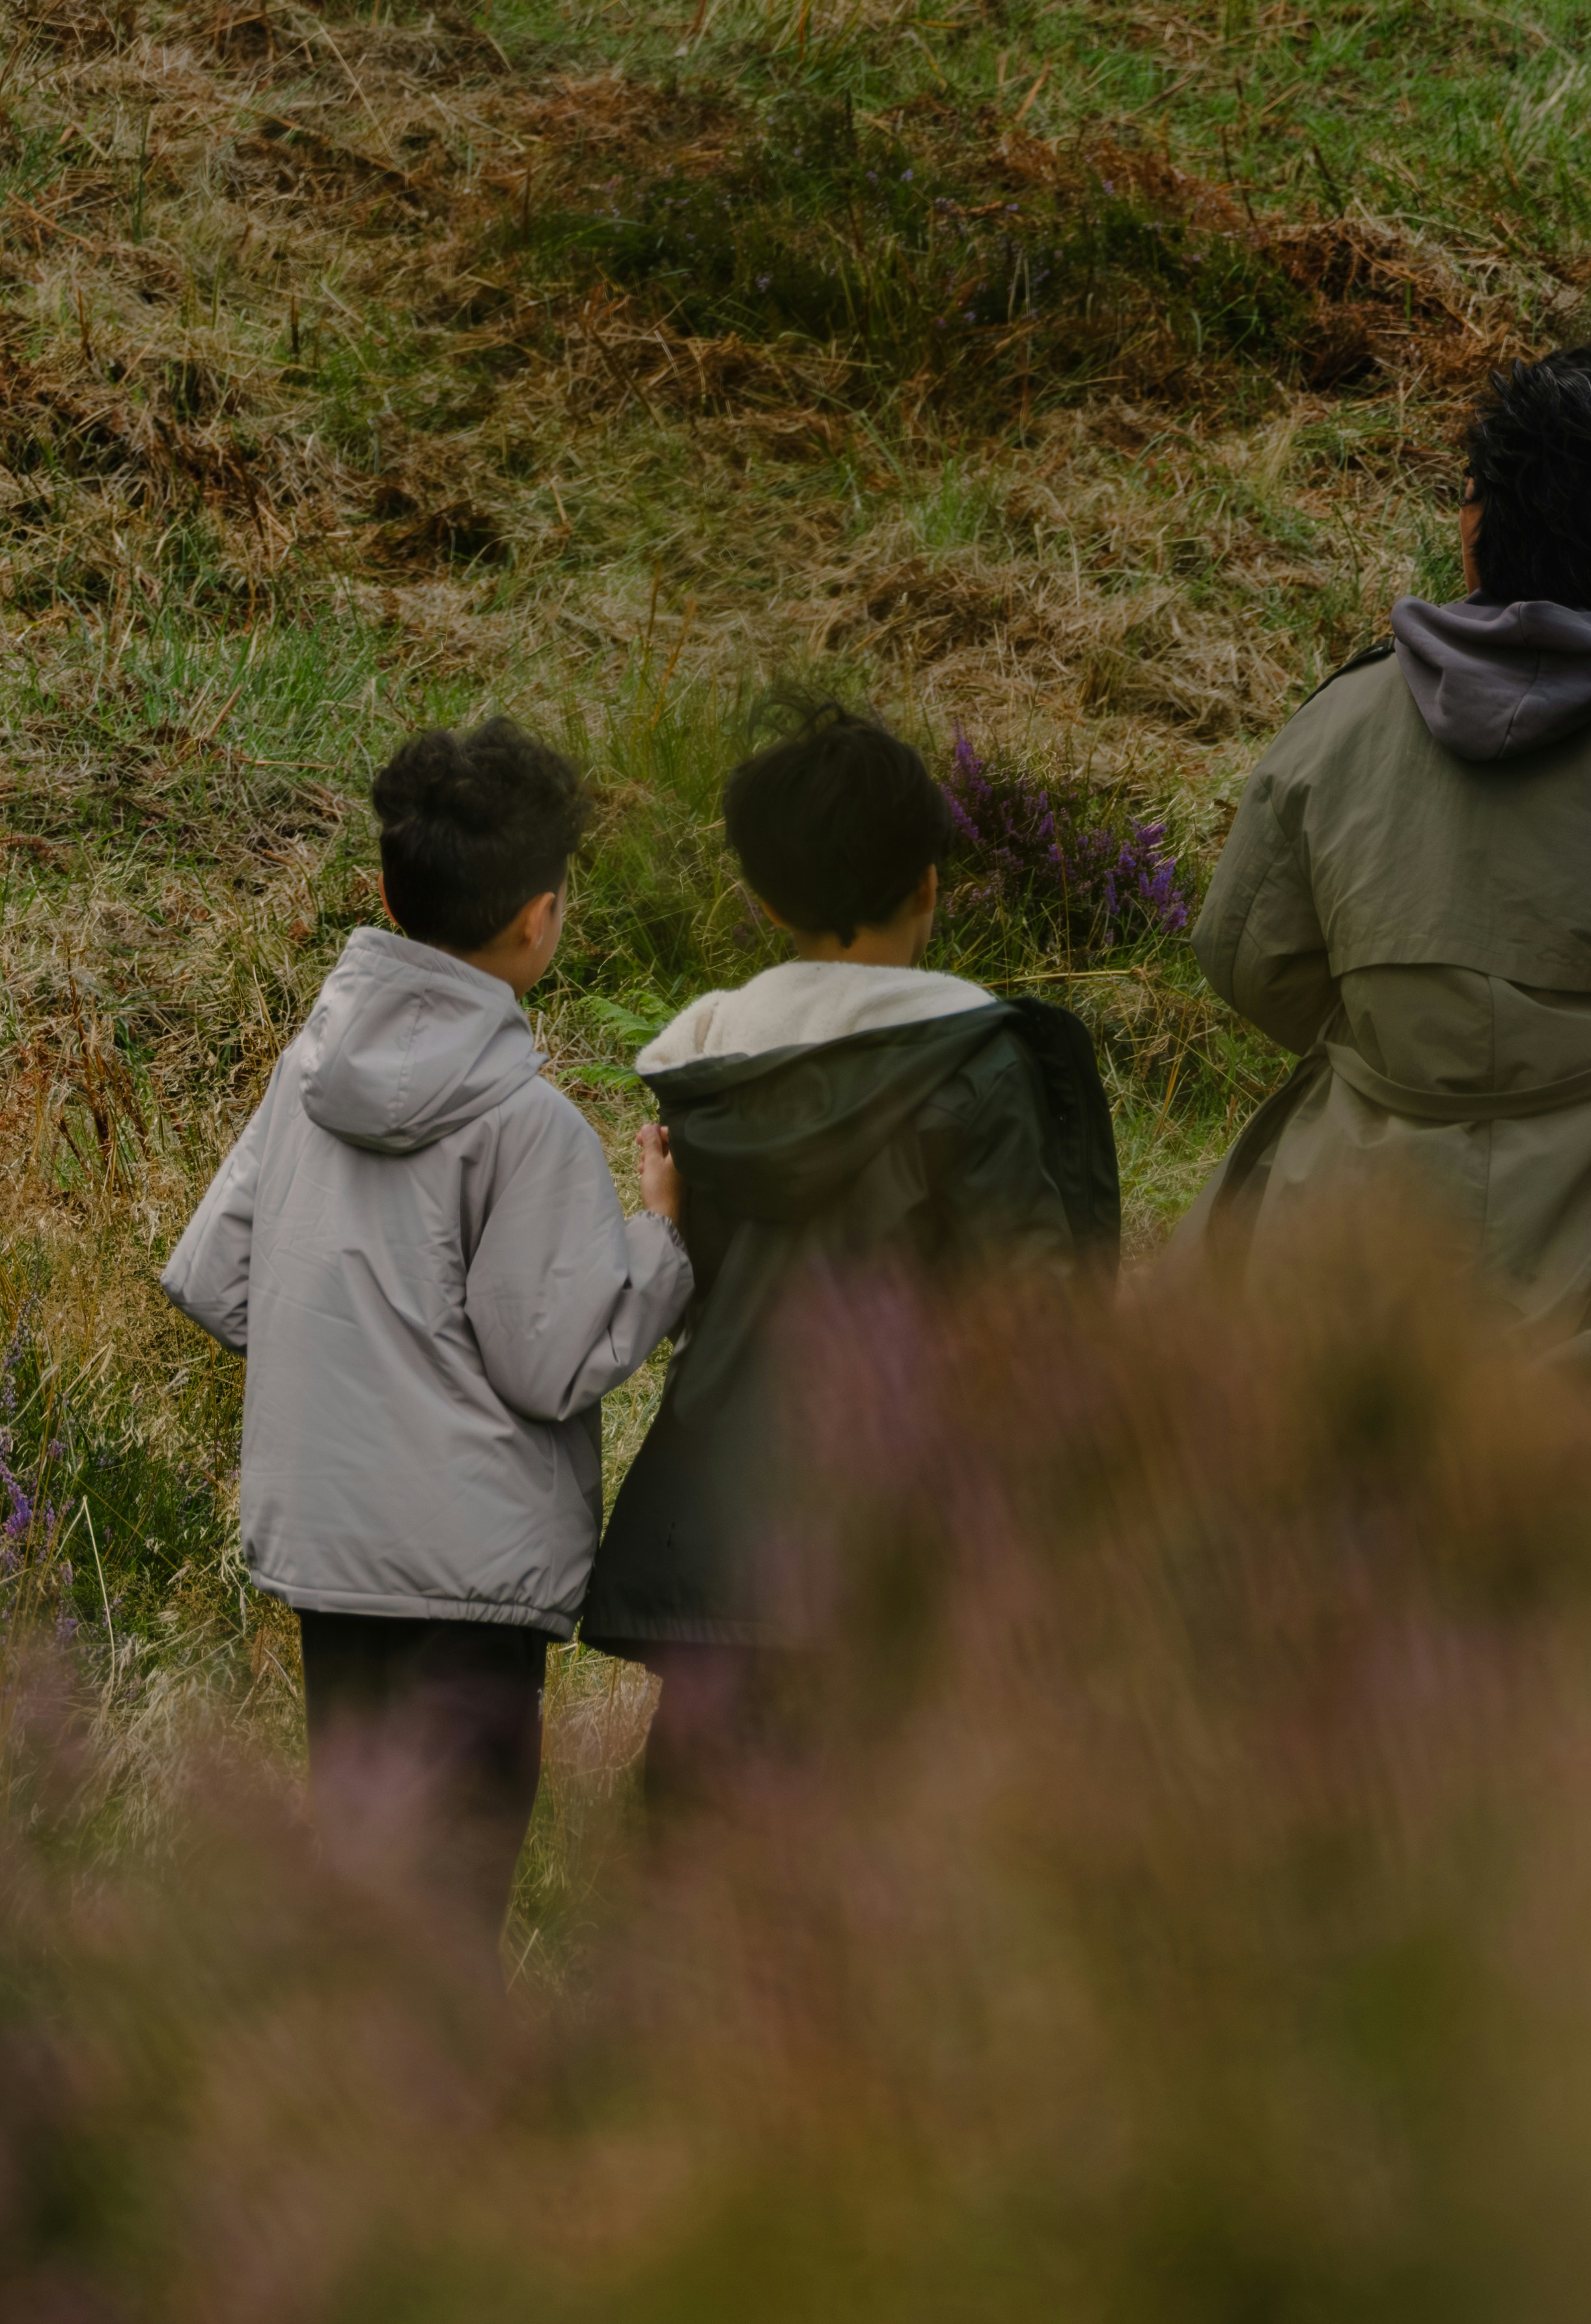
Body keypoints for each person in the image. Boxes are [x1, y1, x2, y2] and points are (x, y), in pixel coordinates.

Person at [1182, 344, 1591, 1491]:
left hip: (1352, 1233)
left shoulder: (1341, 722)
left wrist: (1410, 1032)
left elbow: (1245, 956)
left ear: (1478, 524)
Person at [161, 717, 691, 1958]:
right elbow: (553, 1361)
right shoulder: (532, 1126)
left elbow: (220, 1277)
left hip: (332, 1562)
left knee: (359, 1891)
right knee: (450, 1914)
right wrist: (663, 1241)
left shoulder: (308, 1075)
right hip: (472, 1589)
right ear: (541, 918)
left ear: (387, 890)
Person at [584, 695, 1122, 1808]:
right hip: (902, 1533)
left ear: (765, 898)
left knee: (703, 1827)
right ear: (931, 885)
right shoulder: (980, 1064)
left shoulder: (711, 1071)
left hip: (726, 1516)